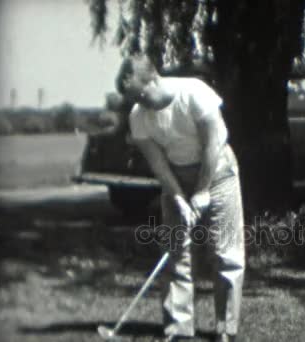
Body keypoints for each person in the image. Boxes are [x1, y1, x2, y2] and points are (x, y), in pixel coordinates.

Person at [115, 54, 245, 342]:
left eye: (141, 94)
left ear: (154, 79)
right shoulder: (138, 116)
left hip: (218, 171)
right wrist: (178, 197)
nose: (140, 103)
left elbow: (213, 143)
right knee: (175, 254)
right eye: (134, 98)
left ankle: (226, 329)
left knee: (226, 251)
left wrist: (201, 191)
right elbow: (158, 165)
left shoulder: (195, 93)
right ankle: (178, 329)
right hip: (176, 176)